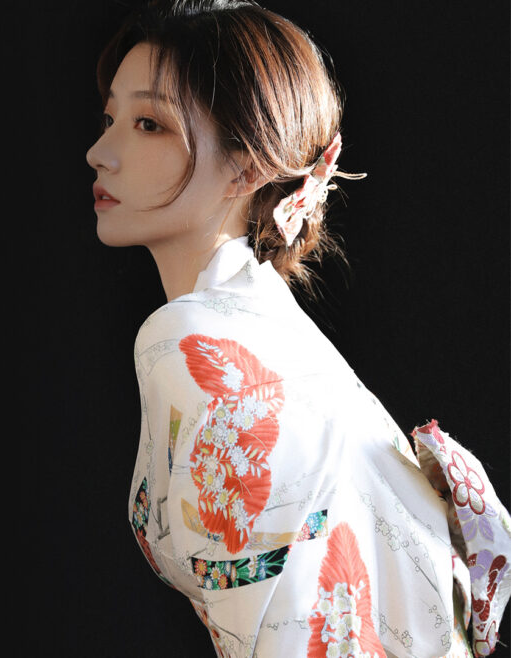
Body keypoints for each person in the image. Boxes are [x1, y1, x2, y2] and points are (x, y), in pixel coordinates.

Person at [84, 1, 510, 656]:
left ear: (246, 167)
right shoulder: (276, 328)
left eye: (149, 124)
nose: (99, 153)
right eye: (110, 119)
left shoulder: (193, 339)